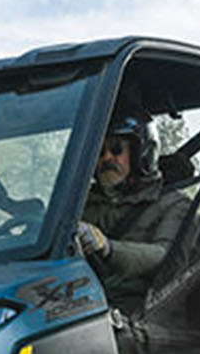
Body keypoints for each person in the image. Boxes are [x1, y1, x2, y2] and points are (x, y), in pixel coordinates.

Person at [75, 112, 185, 308]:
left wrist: (109, 248)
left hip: (138, 314)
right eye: (100, 152)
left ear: (140, 154)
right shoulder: (82, 204)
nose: (106, 158)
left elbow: (165, 256)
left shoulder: (172, 204)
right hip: (78, 303)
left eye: (116, 149)